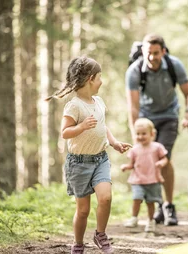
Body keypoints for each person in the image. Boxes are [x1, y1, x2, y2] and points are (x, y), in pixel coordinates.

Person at [46, 56, 132, 254]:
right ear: (91, 79)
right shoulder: (74, 106)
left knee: (106, 198)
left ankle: (100, 234)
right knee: (83, 210)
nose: (102, 82)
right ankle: (77, 243)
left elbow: (103, 127)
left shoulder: (99, 102)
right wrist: (82, 126)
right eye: (100, 77)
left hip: (100, 159)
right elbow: (65, 132)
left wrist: (115, 143)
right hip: (79, 163)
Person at [125, 33, 188, 226]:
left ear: (163, 52)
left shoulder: (174, 65)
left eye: (156, 53)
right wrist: (135, 135)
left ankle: (169, 206)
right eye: (148, 53)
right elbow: (133, 107)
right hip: (146, 118)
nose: (152, 57)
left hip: (169, 115)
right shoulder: (134, 70)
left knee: (163, 158)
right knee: (150, 158)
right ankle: (158, 204)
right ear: (143, 52)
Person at [121, 118, 168, 232]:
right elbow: (132, 164)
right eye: (138, 134)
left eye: (143, 134)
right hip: (138, 179)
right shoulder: (134, 149)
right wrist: (127, 167)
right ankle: (134, 218)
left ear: (152, 134)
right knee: (136, 198)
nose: (140, 136)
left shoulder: (157, 147)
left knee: (150, 202)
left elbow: (165, 159)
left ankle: (151, 221)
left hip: (152, 180)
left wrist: (161, 163)